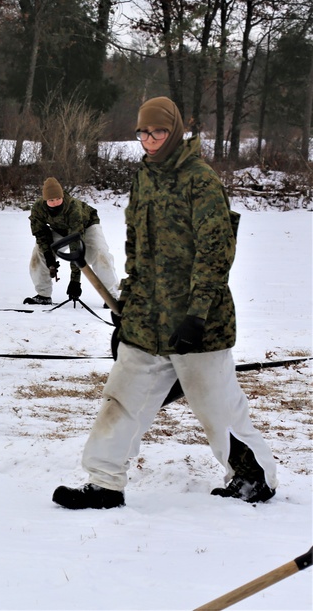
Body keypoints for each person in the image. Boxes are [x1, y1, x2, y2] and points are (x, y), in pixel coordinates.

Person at [52, 96, 278, 510]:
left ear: (173, 130)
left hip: (198, 322)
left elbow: (216, 252)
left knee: (216, 406)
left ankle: (252, 477)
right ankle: (104, 482)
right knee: (121, 398)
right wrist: (129, 307)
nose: (150, 140)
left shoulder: (200, 179)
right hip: (147, 319)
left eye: (158, 132)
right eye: (143, 132)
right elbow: (137, 247)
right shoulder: (145, 177)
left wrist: (196, 315)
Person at [25, 177, 119, 306]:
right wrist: (50, 259)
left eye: (58, 199)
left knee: (100, 253)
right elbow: (41, 234)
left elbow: (76, 245)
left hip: (86, 226)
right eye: (51, 200)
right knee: (38, 253)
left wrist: (75, 281)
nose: (56, 202)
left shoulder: (73, 207)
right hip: (59, 229)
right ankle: (43, 295)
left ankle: (112, 297)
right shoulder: (38, 208)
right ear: (45, 200)